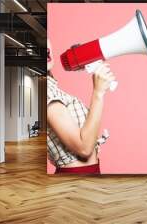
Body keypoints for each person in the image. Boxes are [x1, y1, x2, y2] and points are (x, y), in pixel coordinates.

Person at [46, 39, 115, 174]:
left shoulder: (54, 89)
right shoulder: (47, 92)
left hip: (90, 173)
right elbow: (84, 148)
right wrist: (98, 93)